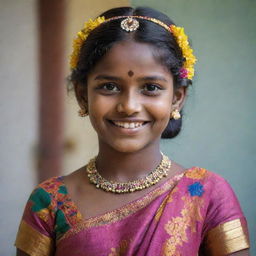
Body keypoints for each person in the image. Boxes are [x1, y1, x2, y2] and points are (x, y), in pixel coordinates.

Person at [15, 6, 250, 256]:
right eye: (109, 86)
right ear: (83, 96)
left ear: (177, 98)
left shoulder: (208, 194)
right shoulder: (49, 202)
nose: (129, 106)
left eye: (150, 87)